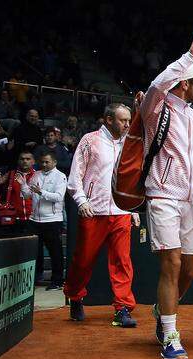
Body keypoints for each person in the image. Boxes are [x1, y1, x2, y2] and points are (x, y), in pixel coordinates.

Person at [139, 27, 193, 359]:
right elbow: (156, 85)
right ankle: (170, 335)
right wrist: (189, 57)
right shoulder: (155, 108)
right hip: (162, 195)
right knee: (172, 264)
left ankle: (163, 311)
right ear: (184, 83)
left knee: (188, 270)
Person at [64, 103, 140, 327]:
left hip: (120, 212)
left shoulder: (129, 143)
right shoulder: (90, 140)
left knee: (122, 261)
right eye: (123, 120)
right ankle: (75, 296)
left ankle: (123, 308)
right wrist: (81, 200)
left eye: (129, 120)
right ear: (108, 120)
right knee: (83, 260)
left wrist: (132, 208)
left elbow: (132, 180)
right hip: (93, 211)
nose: (127, 124)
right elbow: (76, 174)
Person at [18, 151, 67, 289]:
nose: (44, 164)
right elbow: (27, 195)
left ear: (54, 162)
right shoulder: (36, 175)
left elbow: (58, 197)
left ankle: (57, 281)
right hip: (35, 219)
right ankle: (36, 278)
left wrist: (41, 192)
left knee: (55, 252)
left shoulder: (60, 176)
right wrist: (23, 184)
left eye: (47, 162)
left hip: (52, 220)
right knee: (34, 251)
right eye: (42, 162)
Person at [0, 151, 35, 235]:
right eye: (22, 159)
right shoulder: (10, 175)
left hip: (33, 218)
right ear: (18, 161)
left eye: (28, 159)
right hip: (13, 217)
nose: (25, 161)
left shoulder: (38, 175)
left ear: (33, 161)